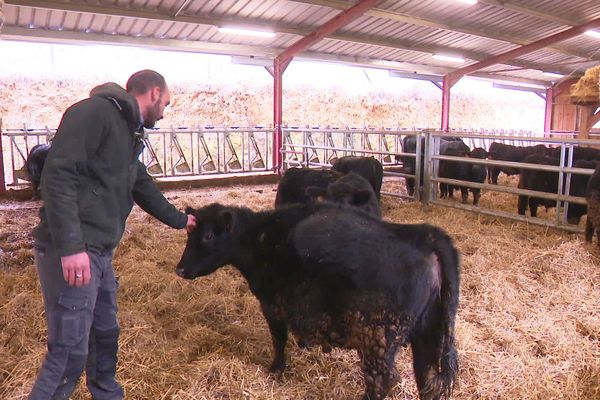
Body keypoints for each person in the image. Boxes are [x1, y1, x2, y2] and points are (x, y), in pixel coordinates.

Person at [29, 69, 196, 400]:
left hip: (99, 253)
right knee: (68, 352)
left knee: (104, 335)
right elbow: (58, 176)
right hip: (74, 249)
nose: (164, 112)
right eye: (166, 103)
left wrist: (181, 220)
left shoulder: (128, 132)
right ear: (153, 93)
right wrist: (72, 246)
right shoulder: (93, 113)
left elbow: (140, 185)